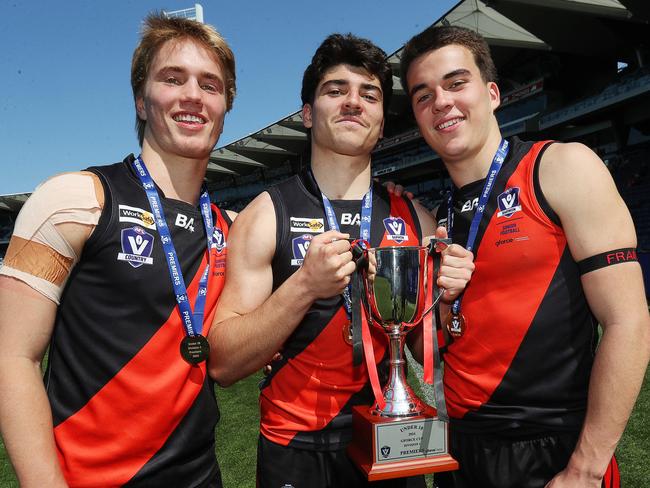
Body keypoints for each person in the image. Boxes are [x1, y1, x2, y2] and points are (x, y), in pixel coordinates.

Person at [207, 33, 474, 488]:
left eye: (368, 94)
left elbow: (425, 351)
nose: (354, 102)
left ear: (382, 122)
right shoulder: (266, 214)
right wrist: (304, 286)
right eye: (336, 90)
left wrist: (448, 301)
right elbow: (224, 363)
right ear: (308, 114)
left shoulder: (416, 219)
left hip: (396, 440)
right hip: (297, 447)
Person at [398, 24, 650, 488]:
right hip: (460, 452)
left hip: (554, 452)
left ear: (492, 93)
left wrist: (586, 468)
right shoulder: (440, 219)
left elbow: (628, 320)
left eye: (456, 83)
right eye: (423, 96)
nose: (442, 102)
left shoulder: (563, 167)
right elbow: (430, 349)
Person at [0, 14, 236, 487]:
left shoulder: (230, 228)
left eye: (210, 84)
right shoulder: (73, 200)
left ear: (226, 104)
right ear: (141, 100)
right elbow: (12, 357)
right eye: (173, 79)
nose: (193, 94)